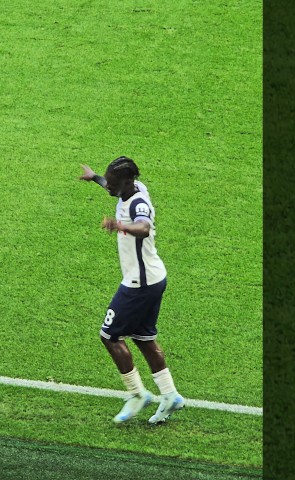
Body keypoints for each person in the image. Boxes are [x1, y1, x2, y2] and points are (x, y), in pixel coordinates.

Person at [79, 156, 185, 424]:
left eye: (112, 182)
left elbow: (144, 227)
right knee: (143, 337)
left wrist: (120, 226)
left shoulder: (138, 203)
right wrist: (94, 178)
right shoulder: (132, 188)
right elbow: (112, 188)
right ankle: (170, 394)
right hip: (154, 278)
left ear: (127, 182)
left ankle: (137, 394)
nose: (109, 187)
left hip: (139, 284)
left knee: (110, 336)